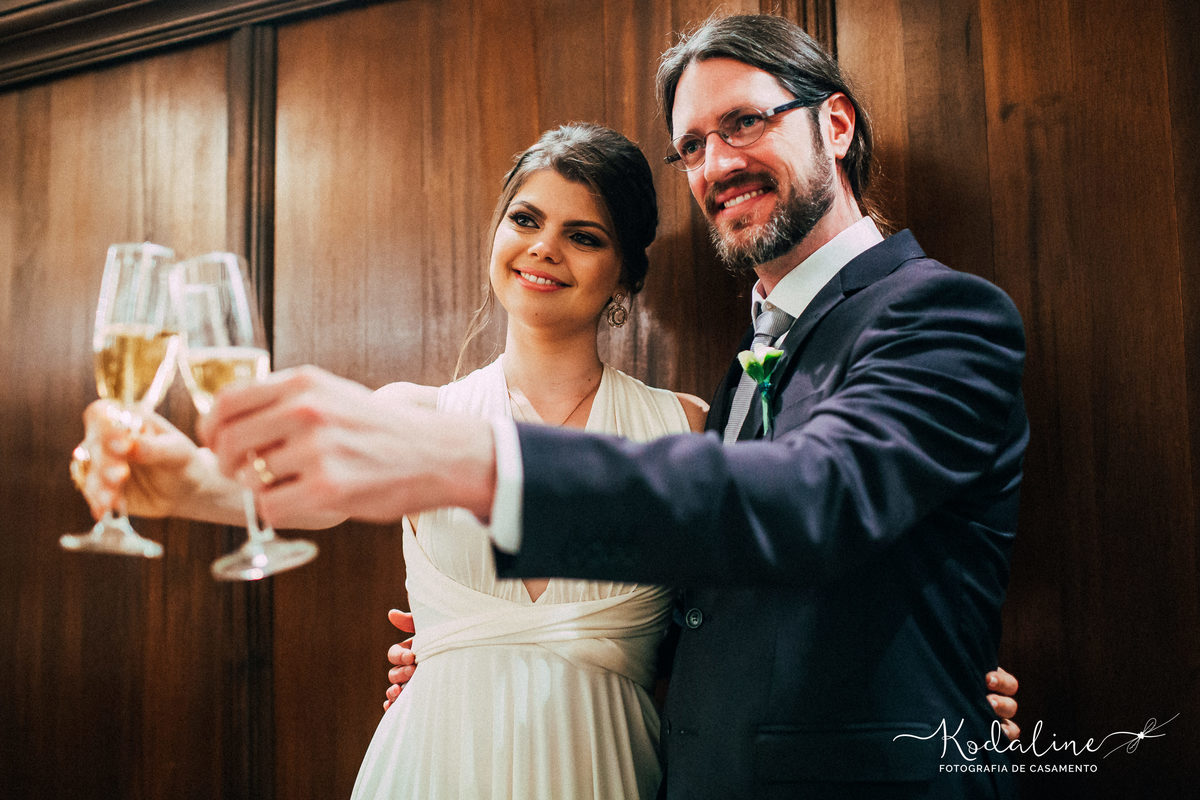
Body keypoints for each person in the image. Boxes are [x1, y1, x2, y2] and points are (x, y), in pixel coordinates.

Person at [80, 16, 1024, 796]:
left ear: (837, 125)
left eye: (744, 123)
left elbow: (813, 496)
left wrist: (934, 692)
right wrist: (465, 657)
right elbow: (716, 600)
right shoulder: (752, 365)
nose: (715, 162)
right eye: (691, 145)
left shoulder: (942, 310)